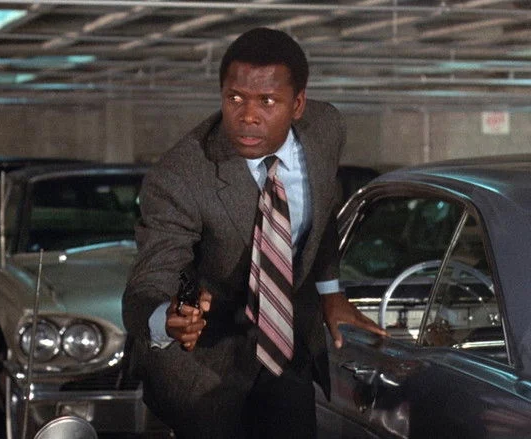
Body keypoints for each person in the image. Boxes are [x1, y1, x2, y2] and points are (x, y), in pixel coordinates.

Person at [122, 27, 386, 438]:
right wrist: (167, 318)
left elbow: (323, 208)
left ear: (297, 104)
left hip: (287, 347)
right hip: (204, 368)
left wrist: (330, 291)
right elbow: (151, 277)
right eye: (235, 99)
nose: (248, 116)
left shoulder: (326, 129)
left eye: (267, 101)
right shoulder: (181, 175)